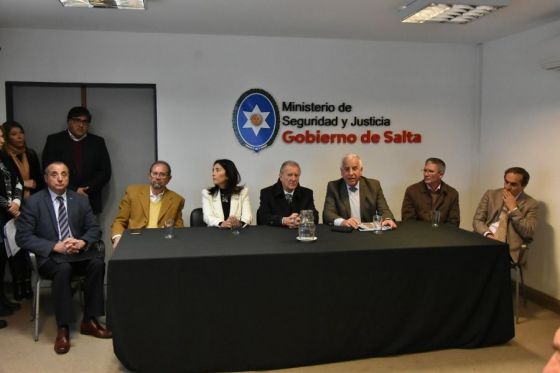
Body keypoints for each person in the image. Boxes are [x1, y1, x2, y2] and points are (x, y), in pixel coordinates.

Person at [15, 161, 112, 354]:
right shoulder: (34, 202)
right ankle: (63, 327)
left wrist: (83, 242)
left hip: (77, 254)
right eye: (54, 174)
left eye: (64, 174)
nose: (60, 178)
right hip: (51, 258)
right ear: (46, 178)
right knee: (63, 269)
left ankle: (90, 320)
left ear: (68, 177)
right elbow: (23, 237)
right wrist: (54, 246)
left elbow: (94, 228)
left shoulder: (80, 200)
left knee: (96, 263)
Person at [42, 106, 111, 214]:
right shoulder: (54, 140)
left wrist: (86, 189)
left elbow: (105, 172)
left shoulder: (98, 142)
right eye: (77, 121)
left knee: (91, 230)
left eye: (85, 122)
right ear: (69, 122)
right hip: (61, 196)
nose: (81, 125)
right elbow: (48, 169)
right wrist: (74, 190)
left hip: (90, 198)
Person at [111, 161, 185, 248]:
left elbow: (179, 229)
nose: (157, 177)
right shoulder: (133, 192)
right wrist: (118, 238)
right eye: (155, 173)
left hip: (162, 244)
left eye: (162, 174)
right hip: (135, 242)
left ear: (169, 179)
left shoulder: (177, 199)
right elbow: (119, 221)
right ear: (149, 176)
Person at [473, 167, 538, 262]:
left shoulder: (531, 204)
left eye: (513, 184)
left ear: (523, 186)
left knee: (487, 259)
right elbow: (477, 220)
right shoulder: (491, 194)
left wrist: (513, 209)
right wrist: (488, 235)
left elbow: (528, 233)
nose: (507, 187)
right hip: (485, 237)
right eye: (506, 182)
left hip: (509, 247)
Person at [323, 153, 397, 229]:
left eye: (354, 168)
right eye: (347, 169)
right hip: (344, 233)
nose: (351, 173)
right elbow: (328, 213)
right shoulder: (333, 187)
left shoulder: (374, 186)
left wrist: (387, 219)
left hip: (367, 234)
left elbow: (384, 209)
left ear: (361, 170)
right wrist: (343, 222)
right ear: (341, 172)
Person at [0, 125, 24, 326]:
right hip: (3, 210)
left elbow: (18, 180)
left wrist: (16, 202)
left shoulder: (5, 157)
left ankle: (2, 301)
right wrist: (7, 205)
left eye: (1, 136)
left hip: (7, 217)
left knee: (2, 260)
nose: (1, 140)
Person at [257, 160, 318, 228]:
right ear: (280, 176)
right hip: (275, 234)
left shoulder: (307, 193)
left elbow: (315, 216)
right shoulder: (267, 193)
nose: (293, 179)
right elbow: (262, 217)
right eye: (290, 175)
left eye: (296, 175)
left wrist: (301, 219)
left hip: (298, 233)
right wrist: (283, 220)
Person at [401, 157, 460, 226]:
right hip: (418, 234)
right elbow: (408, 220)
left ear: (441, 174)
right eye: (425, 170)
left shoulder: (452, 193)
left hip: (443, 235)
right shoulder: (412, 191)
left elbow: (453, 222)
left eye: (431, 171)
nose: (426, 174)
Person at [202, 159, 252, 228]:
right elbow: (207, 217)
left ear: (228, 174)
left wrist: (239, 223)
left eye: (217, 170)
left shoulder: (243, 192)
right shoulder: (207, 193)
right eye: (213, 170)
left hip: (237, 232)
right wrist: (221, 223)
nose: (213, 174)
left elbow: (248, 216)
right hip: (216, 233)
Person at [3, 121, 44, 198]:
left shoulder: (30, 154)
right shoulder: (3, 156)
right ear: (6, 137)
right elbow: (3, 183)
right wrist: (23, 183)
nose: (19, 137)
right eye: (14, 134)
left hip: (33, 198)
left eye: (21, 133)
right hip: (11, 200)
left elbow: (38, 179)